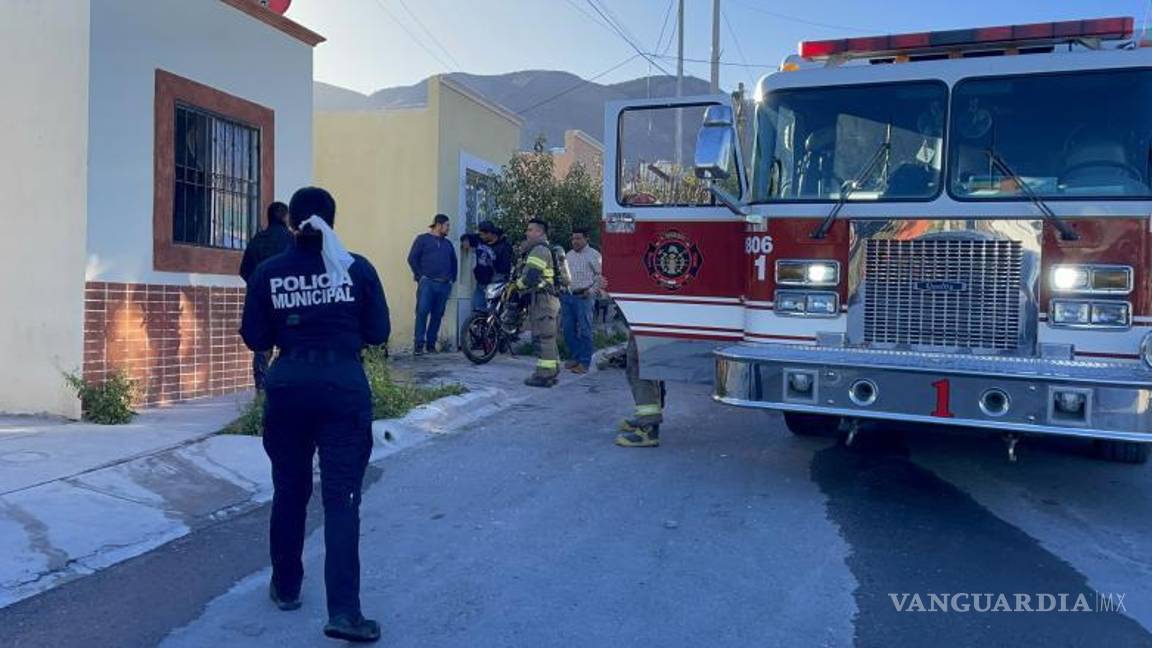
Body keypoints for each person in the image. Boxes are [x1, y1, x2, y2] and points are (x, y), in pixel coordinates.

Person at [240, 186, 390, 643]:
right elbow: (379, 330)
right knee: (342, 498)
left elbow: (254, 337)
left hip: (288, 390)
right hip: (342, 389)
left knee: (290, 489)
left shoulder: (269, 271)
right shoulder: (355, 268)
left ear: (292, 223)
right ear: (332, 220)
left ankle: (286, 587)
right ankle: (344, 612)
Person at [239, 201, 294, 390]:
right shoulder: (292, 241)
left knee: (262, 350)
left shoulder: (257, 240)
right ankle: (286, 388)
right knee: (291, 346)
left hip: (263, 303)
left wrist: (258, 288)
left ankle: (261, 393)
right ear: (286, 217)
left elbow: (244, 270)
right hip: (288, 301)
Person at [513, 217, 566, 387]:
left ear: (539, 232)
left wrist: (516, 286)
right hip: (549, 299)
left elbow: (531, 276)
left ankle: (544, 374)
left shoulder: (539, 250)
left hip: (543, 300)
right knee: (549, 338)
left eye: (529, 230)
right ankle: (553, 369)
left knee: (544, 338)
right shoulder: (547, 249)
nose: (526, 233)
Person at [407, 214, 457, 355]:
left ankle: (431, 345)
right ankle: (418, 345)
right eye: (447, 225)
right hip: (427, 283)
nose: (448, 229)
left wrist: (452, 279)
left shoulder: (448, 244)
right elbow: (412, 258)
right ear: (439, 225)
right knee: (422, 313)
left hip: (444, 284)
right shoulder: (422, 240)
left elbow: (454, 263)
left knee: (437, 314)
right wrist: (420, 276)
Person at [560, 228, 602, 374]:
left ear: (586, 239)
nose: (575, 241)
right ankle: (576, 357)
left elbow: (601, 278)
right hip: (567, 297)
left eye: (578, 238)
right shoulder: (568, 255)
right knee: (567, 330)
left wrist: (590, 292)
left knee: (585, 330)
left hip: (584, 297)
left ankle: (584, 362)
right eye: (573, 239)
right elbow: (564, 274)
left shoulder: (594, 255)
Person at [614, 331, 666, 448]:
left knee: (639, 365)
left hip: (650, 319)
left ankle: (648, 428)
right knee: (641, 364)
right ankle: (647, 420)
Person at [460, 220, 514, 312]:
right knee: (477, 310)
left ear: (489, 233)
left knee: (492, 312)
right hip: (481, 283)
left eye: (482, 234)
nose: (480, 236)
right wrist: (465, 240)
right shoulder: (480, 239)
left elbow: (504, 269)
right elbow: (467, 236)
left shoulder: (504, 247)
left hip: (494, 284)